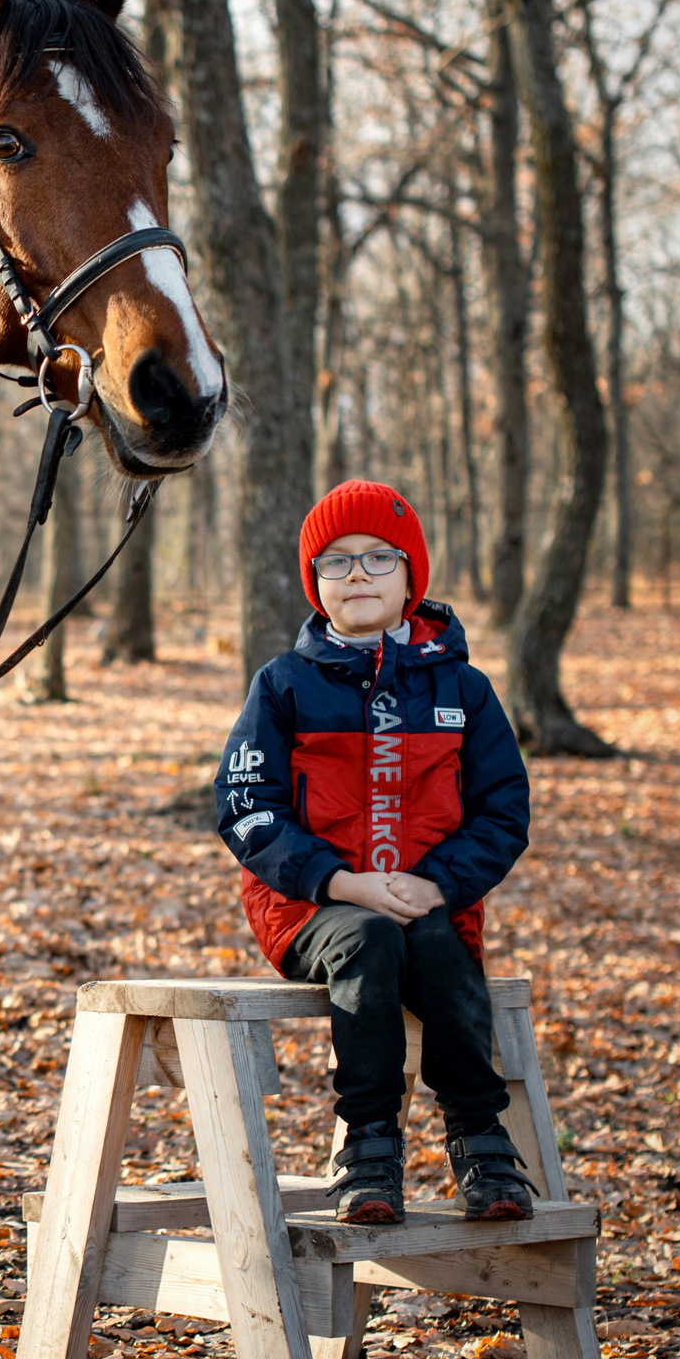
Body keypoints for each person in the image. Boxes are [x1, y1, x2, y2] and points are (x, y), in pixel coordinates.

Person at [212, 481, 534, 1224]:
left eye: (378, 558)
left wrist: (437, 884)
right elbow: (245, 804)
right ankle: (369, 1144)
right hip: (312, 903)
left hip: (429, 896)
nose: (357, 574)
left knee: (437, 948)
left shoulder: (462, 688)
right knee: (367, 939)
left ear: (411, 576)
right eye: (337, 561)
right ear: (315, 581)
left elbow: (503, 809)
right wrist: (339, 881)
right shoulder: (284, 686)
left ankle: (481, 1138)